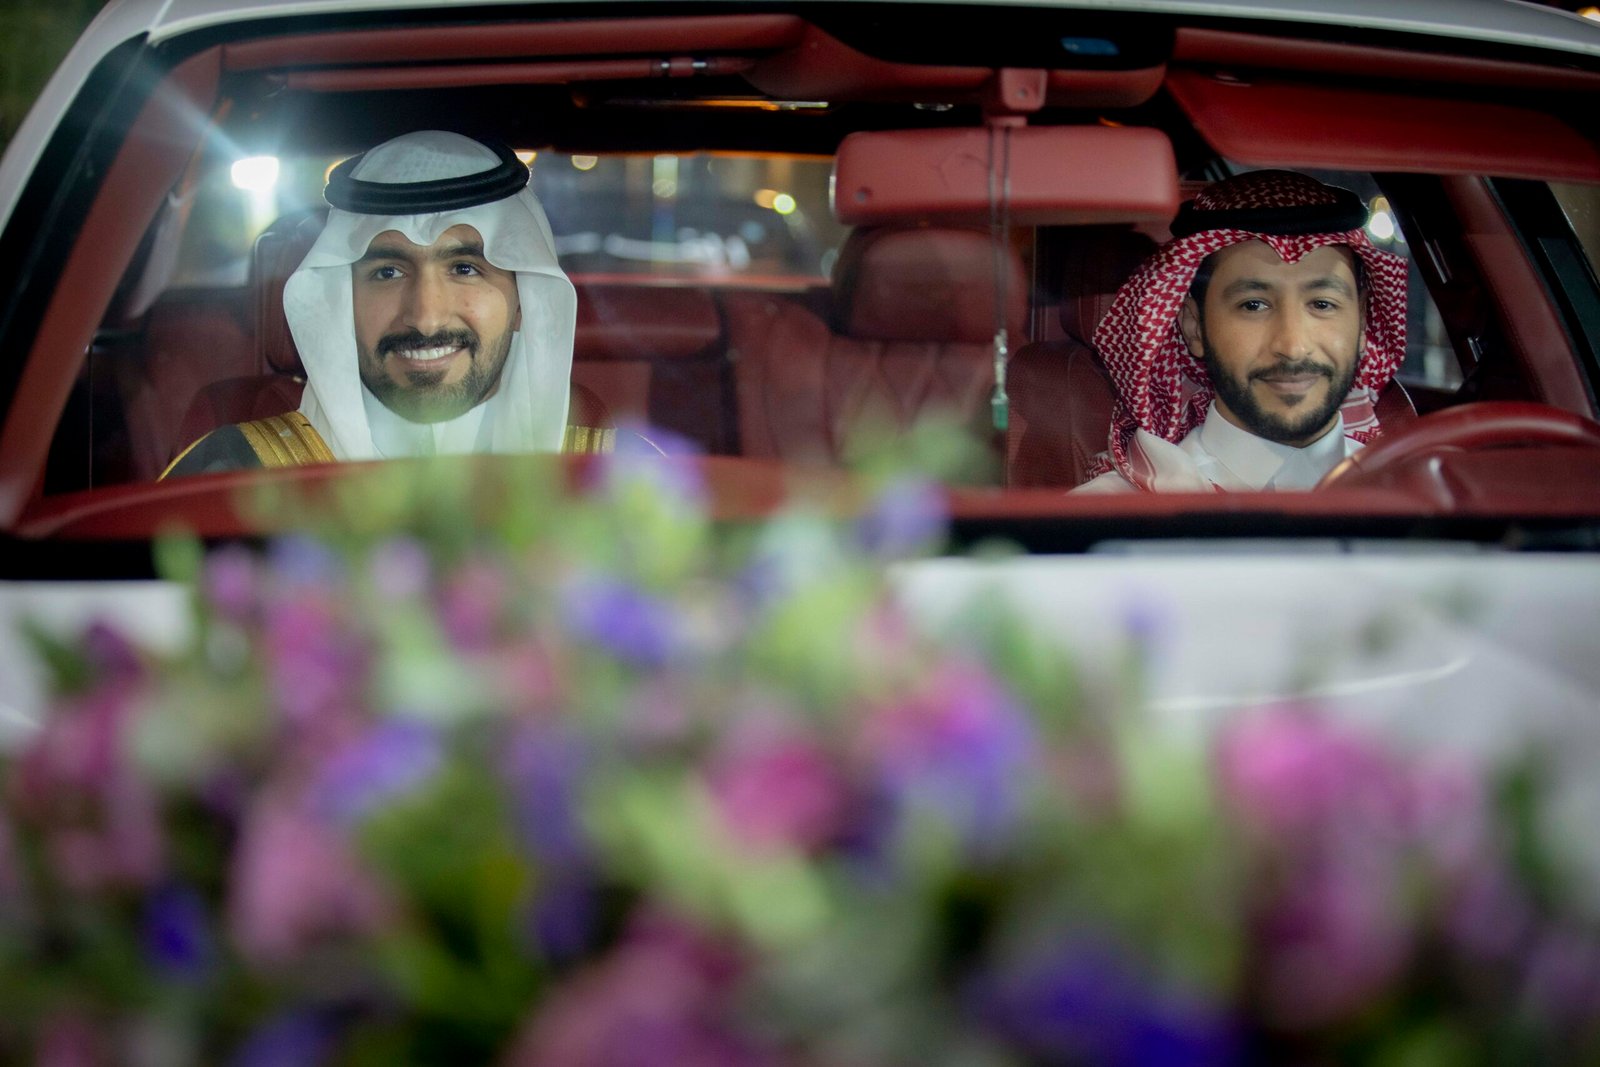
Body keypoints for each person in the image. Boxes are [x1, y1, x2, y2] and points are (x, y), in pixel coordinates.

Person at [164, 130, 610, 477]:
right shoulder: (233, 475)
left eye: (464, 268)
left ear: (522, 302)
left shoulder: (616, 485)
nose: (426, 318)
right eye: (388, 273)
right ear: (341, 303)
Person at [1075, 169, 1408, 492]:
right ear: (1194, 327)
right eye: (1253, 305)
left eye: (1322, 304)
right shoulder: (1112, 515)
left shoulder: (1418, 494)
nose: (1293, 346)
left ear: (1362, 321)